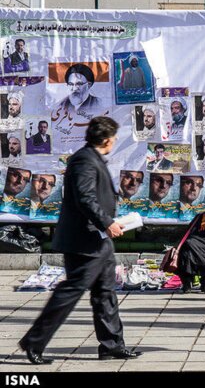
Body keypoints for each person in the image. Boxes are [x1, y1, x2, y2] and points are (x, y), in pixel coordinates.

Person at [19, 116, 142, 365]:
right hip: (84, 241)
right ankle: (34, 341)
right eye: (114, 138)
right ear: (107, 140)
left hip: (98, 241)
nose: (114, 142)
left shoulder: (91, 158)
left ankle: (112, 345)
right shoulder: (84, 161)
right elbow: (85, 198)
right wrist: (106, 222)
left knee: (106, 292)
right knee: (70, 292)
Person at [176, 206, 205, 294]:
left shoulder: (198, 218)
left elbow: (188, 231)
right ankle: (204, 286)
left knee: (186, 267)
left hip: (188, 247)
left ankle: (187, 286)